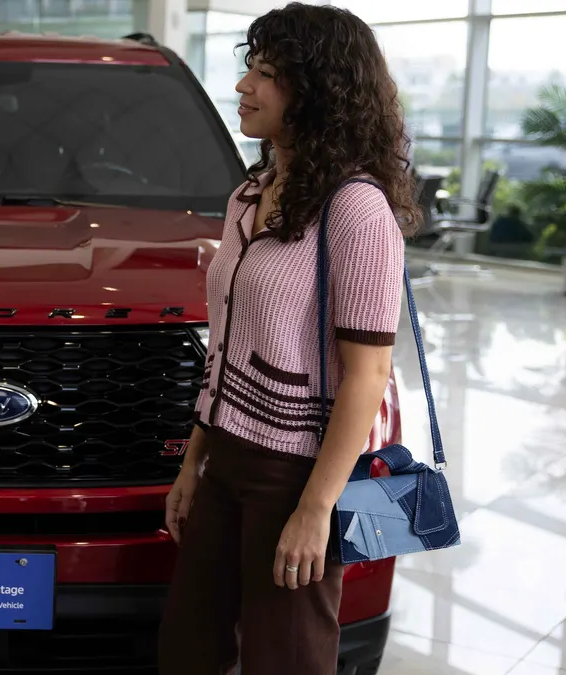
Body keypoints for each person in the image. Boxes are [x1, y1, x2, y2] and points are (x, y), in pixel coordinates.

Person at [158, 4, 422, 674]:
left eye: (267, 73)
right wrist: (194, 464)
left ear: (317, 91)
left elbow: (367, 374)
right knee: (190, 649)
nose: (245, 86)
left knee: (289, 658)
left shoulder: (356, 209)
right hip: (225, 461)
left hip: (296, 472)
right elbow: (225, 348)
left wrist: (315, 508)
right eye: (250, 68)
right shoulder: (249, 196)